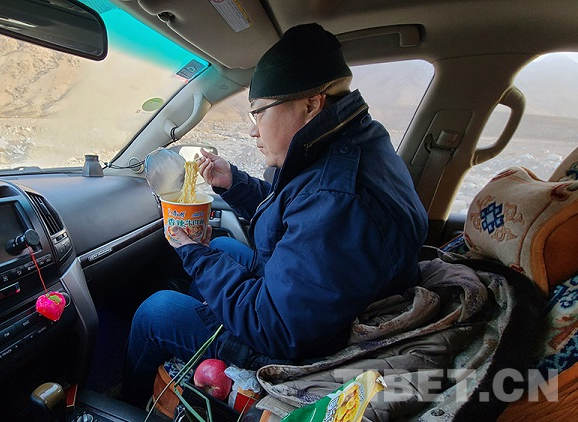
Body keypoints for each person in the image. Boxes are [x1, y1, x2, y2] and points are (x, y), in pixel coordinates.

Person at [123, 23, 428, 408]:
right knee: (221, 247)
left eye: (259, 113)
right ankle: (203, 338)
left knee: (156, 312)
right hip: (324, 307)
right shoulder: (352, 144)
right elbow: (301, 215)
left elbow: (274, 326)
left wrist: (193, 254)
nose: (253, 131)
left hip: (306, 349)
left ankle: (126, 407)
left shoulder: (339, 198)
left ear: (311, 105)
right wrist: (234, 183)